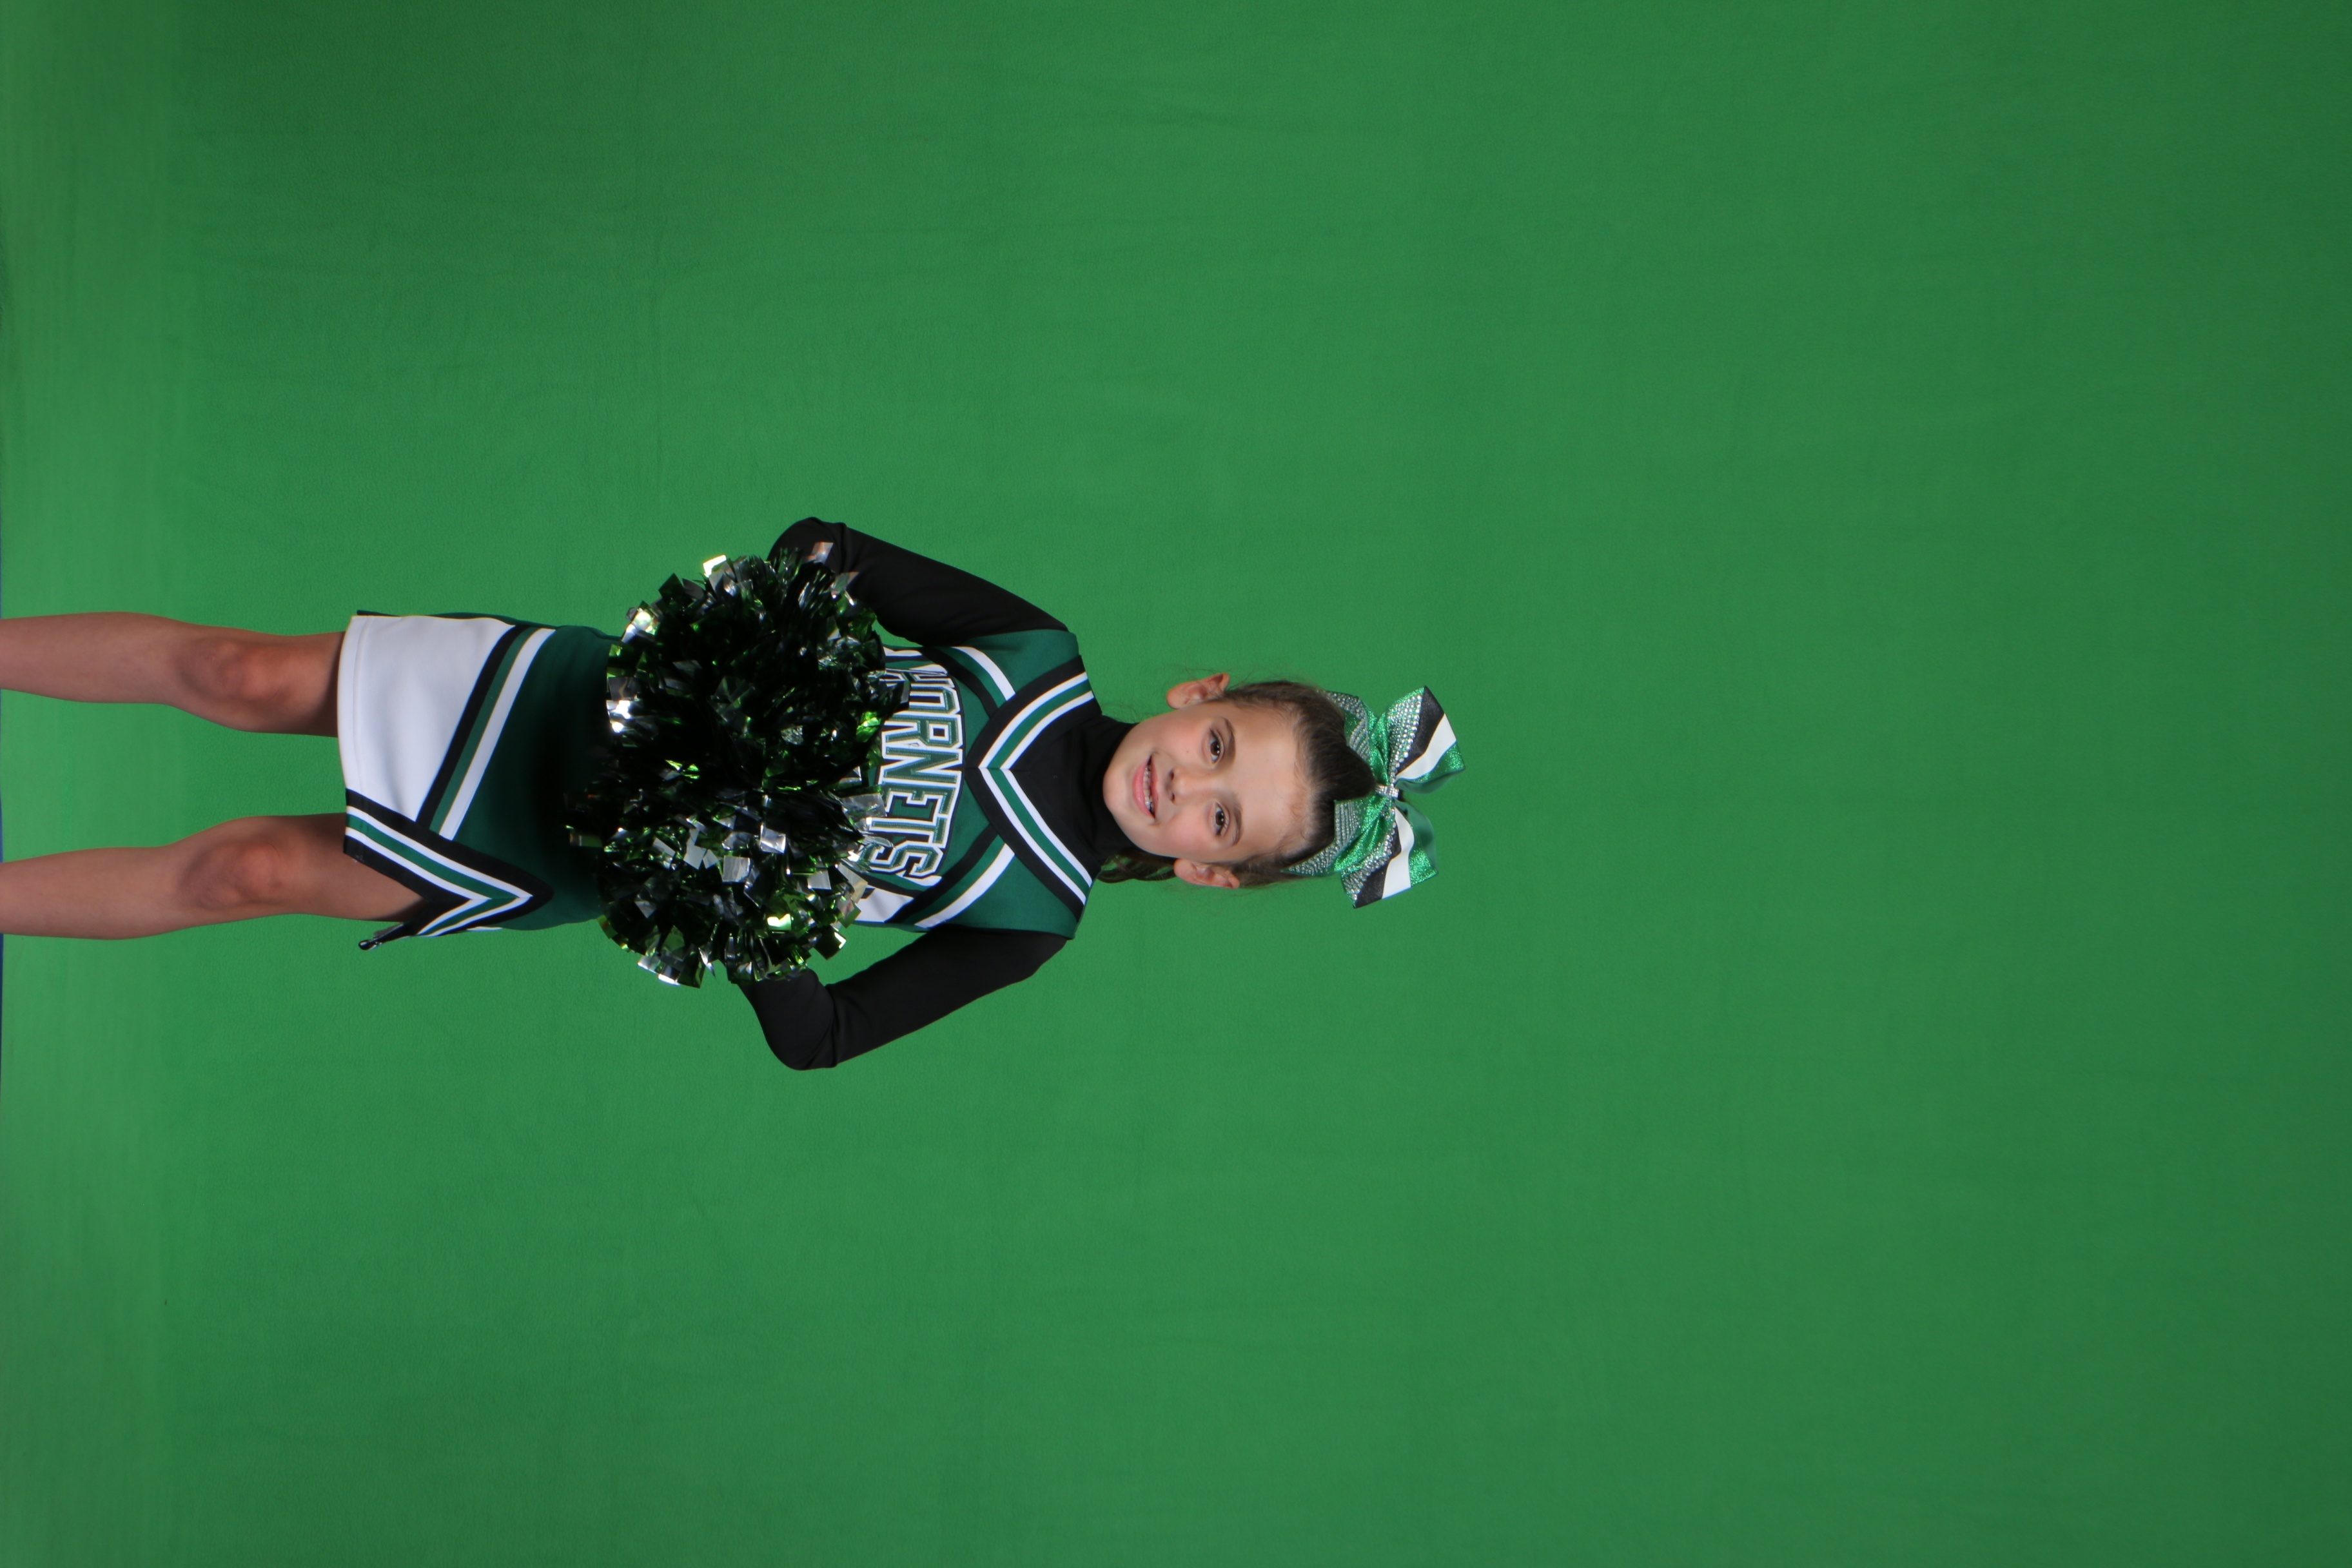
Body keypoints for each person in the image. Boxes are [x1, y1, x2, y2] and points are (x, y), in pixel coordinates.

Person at [0, 520, 1462, 1067]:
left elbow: (825, 1037)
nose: (1186, 784)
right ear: (1204, 692)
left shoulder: (1030, 922)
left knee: (244, 873)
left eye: (1223, 819)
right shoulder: (1034, 655)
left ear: (1208, 871)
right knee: (243, 670)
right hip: (567, 697)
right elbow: (826, 546)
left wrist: (744, 898)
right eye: (1220, 746)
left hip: (569, 853)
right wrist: (757, 653)